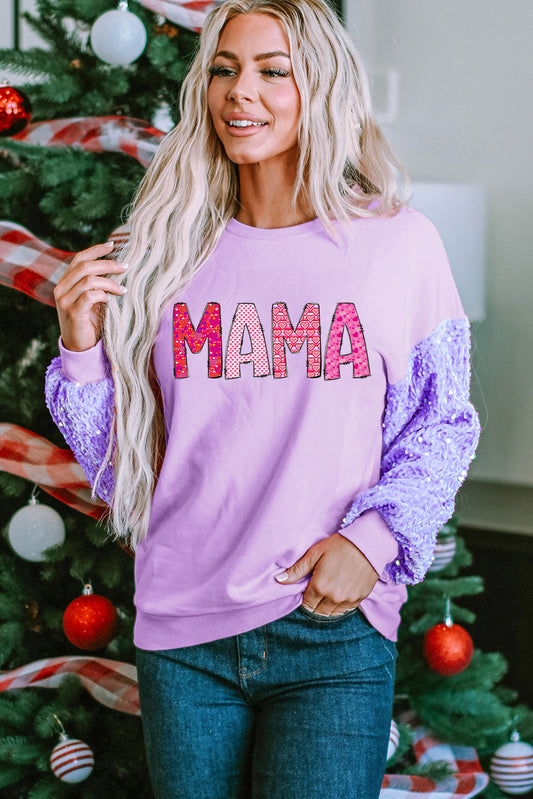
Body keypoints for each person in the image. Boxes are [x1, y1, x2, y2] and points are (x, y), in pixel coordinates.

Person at [45, 1, 481, 797]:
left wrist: (373, 539)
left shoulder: (396, 243)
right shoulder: (165, 251)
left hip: (331, 629)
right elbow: (120, 466)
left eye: (271, 70)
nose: (239, 91)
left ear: (320, 87)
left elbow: (441, 421)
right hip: (183, 633)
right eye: (224, 69)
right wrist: (79, 348)